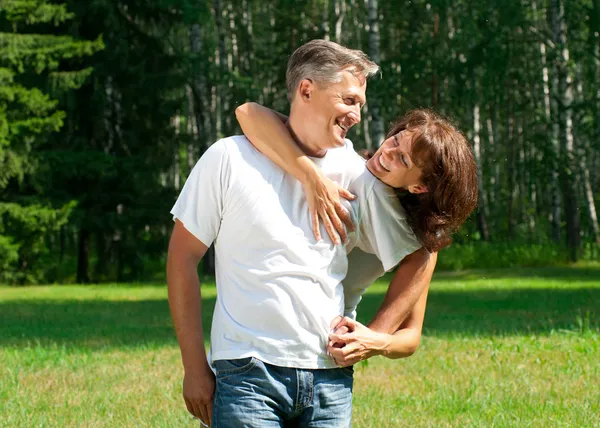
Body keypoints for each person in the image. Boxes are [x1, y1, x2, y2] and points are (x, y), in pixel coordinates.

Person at [168, 39, 437, 427]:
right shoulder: (228, 158)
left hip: (328, 379)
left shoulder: (359, 175)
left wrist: (376, 335)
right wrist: (194, 368)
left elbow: (423, 250)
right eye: (349, 100)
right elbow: (181, 259)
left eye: (360, 103)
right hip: (247, 373)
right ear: (307, 90)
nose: (357, 115)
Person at [235, 105, 479, 367]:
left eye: (403, 160)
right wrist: (312, 177)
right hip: (272, 335)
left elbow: (410, 337)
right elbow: (248, 113)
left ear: (419, 187)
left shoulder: (416, 243)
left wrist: (371, 339)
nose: (388, 152)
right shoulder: (346, 161)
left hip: (321, 346)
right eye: (395, 140)